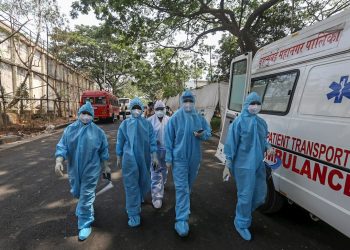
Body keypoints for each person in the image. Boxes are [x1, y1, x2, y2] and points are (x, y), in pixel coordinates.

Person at [55, 101, 110, 241]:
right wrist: (59, 161)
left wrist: (106, 166)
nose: (86, 116)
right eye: (83, 113)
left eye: (88, 114)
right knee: (79, 192)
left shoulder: (98, 132)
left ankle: (85, 223)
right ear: (79, 114)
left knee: (86, 194)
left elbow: (104, 151)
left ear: (92, 116)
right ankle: (87, 206)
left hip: (91, 168)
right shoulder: (70, 130)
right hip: (74, 168)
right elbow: (62, 146)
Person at [224, 92, 275, 241]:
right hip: (243, 166)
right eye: (252, 103)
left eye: (258, 103)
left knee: (260, 195)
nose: (255, 106)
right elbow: (231, 145)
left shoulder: (261, 123)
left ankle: (244, 212)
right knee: (245, 196)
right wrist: (228, 164)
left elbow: (263, 139)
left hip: (258, 164)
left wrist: (268, 146)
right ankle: (241, 222)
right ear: (246, 105)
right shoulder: (238, 122)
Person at [165, 90, 211, 237]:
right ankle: (181, 220)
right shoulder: (175, 118)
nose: (188, 103)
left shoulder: (199, 117)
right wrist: (168, 158)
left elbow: (208, 132)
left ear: (194, 102)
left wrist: (202, 134)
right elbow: (168, 139)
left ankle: (184, 206)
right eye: (185, 101)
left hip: (194, 158)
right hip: (179, 159)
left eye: (190, 101)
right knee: (182, 188)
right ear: (181, 102)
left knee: (188, 186)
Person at [116, 97, 158, 227]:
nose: (136, 110)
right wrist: (119, 155)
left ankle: (137, 199)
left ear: (142, 109)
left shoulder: (147, 124)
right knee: (131, 184)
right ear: (130, 109)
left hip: (144, 157)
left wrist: (154, 155)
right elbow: (120, 140)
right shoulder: (125, 124)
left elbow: (152, 141)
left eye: (138, 108)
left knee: (143, 180)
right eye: (134, 108)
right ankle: (133, 213)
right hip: (129, 159)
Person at [147, 100, 170, 209]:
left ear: (165, 109)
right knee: (156, 173)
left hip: (166, 151)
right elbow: (146, 136)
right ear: (154, 110)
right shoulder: (149, 121)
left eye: (162, 109)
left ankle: (163, 183)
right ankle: (157, 197)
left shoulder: (170, 120)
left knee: (164, 171)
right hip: (154, 152)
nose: (160, 111)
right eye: (158, 109)